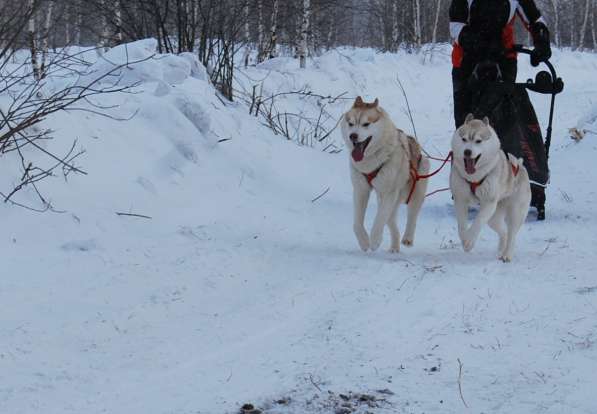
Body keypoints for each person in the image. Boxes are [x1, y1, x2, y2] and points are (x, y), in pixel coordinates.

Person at [449, 0, 552, 128]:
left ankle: (506, 146)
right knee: (466, 125)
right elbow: (455, 26)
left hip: (504, 59)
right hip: (466, 61)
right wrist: (478, 42)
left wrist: (541, 40)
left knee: (504, 122)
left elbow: (535, 19)